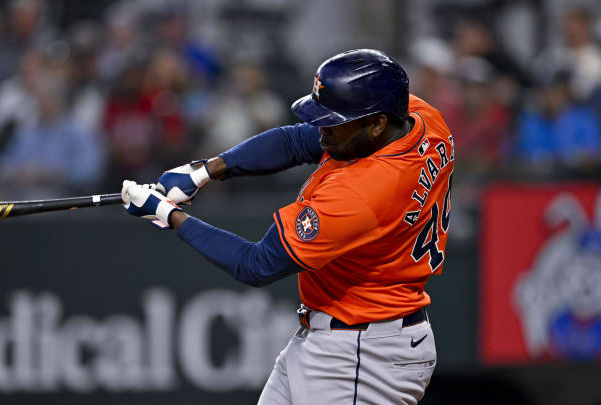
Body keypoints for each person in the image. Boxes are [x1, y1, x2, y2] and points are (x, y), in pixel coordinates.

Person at [122, 49, 454, 404]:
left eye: (333, 121)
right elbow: (297, 140)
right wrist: (204, 171)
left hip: (362, 356)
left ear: (376, 123)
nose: (321, 130)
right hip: (348, 337)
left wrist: (167, 213)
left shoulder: (362, 194)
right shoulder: (422, 118)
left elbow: (256, 264)